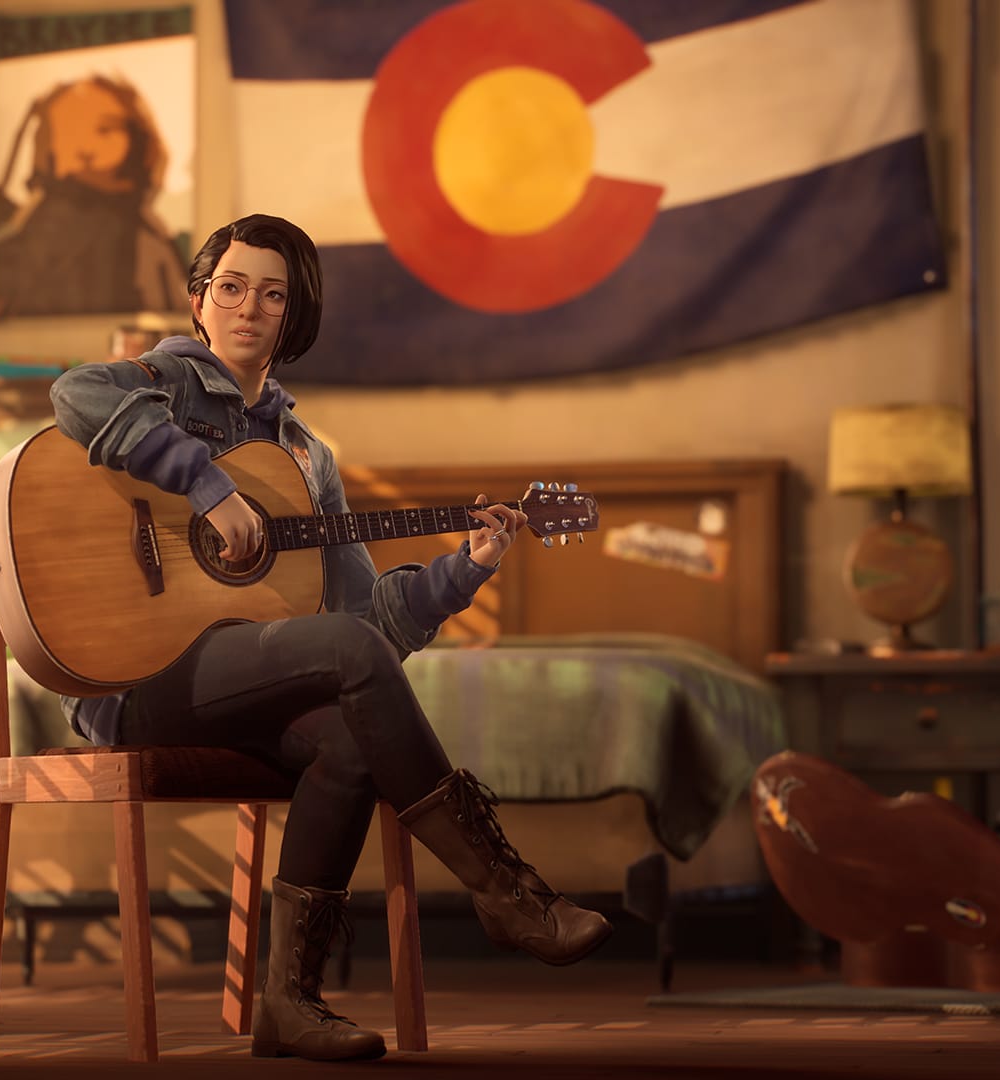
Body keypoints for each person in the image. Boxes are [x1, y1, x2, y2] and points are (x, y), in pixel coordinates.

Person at [47, 214, 611, 1062]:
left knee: (350, 734)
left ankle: (290, 1001)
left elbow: (367, 625)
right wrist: (207, 489)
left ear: (292, 317)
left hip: (240, 686)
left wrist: (465, 569)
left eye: (272, 296)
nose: (247, 309)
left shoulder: (307, 458)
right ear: (198, 299)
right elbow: (72, 397)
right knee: (348, 661)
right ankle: (507, 894)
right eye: (231, 287)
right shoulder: (160, 381)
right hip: (137, 680)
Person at [0, 73, 185, 319]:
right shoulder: (35, 230)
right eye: (70, 131)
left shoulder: (145, 233)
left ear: (134, 138)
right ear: (48, 142)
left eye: (105, 130)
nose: (86, 148)